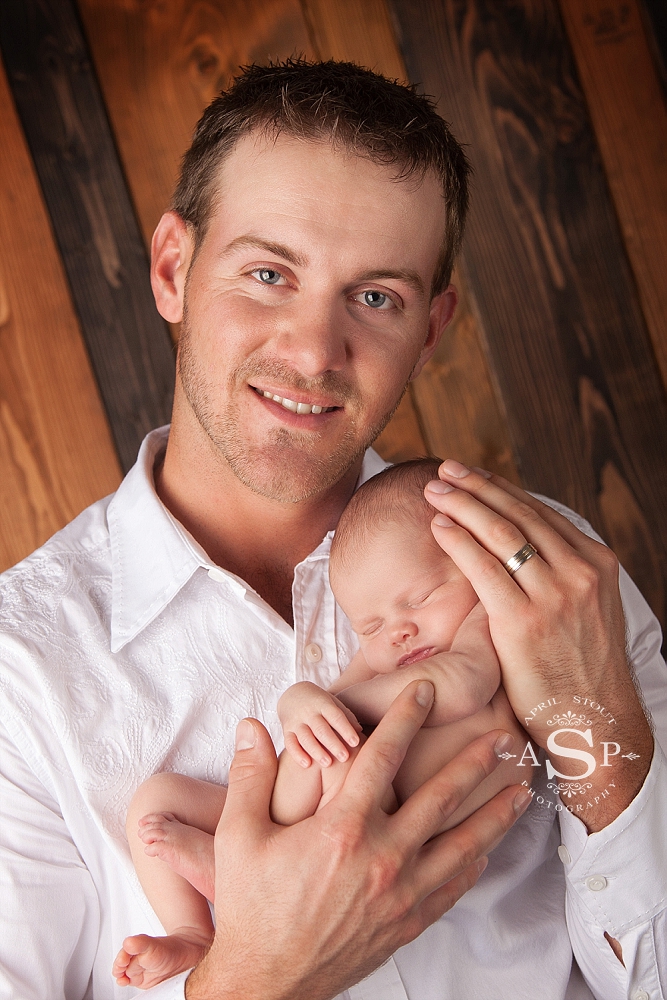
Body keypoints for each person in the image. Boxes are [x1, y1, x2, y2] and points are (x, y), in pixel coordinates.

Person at [0, 59, 665, 1000]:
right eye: (268, 273)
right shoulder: (18, 674)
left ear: (431, 329)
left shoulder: (542, 567)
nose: (314, 351)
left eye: (376, 297)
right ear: (172, 270)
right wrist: (264, 976)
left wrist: (599, 733)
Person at [113, 459, 529, 989]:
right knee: (155, 799)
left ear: (478, 562)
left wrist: (340, 711)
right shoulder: (388, 660)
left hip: (379, 840)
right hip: (287, 820)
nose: (399, 632)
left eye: (419, 599)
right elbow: (327, 700)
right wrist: (299, 702)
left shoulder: (488, 617)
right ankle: (193, 931)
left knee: (342, 754)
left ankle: (241, 883)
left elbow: (463, 684)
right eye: (371, 625)